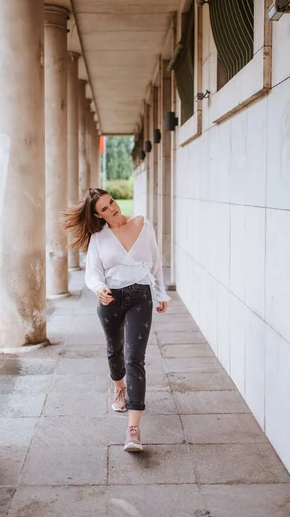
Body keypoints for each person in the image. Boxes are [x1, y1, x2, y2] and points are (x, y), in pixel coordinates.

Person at [64, 187, 170, 452]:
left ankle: (133, 430)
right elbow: (92, 273)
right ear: (98, 216)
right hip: (110, 299)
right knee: (115, 351)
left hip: (140, 297)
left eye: (111, 202)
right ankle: (119, 388)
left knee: (136, 358)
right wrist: (99, 288)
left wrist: (161, 293)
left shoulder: (142, 224)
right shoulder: (98, 238)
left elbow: (155, 262)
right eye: (104, 209)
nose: (112, 208)